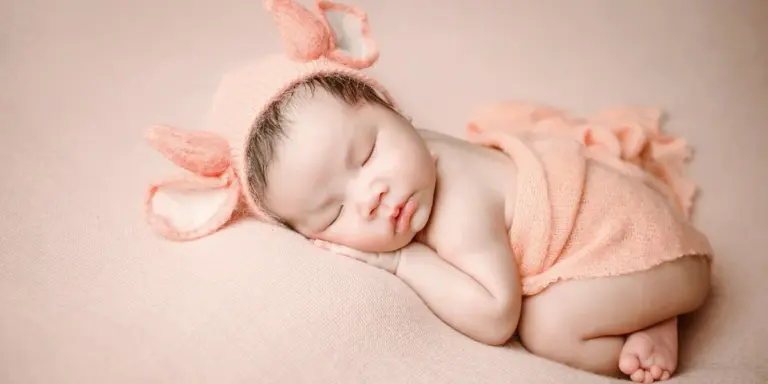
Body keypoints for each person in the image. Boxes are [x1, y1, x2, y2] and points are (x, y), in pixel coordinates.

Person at [143, 1, 713, 382]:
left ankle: (653, 321)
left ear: (394, 110)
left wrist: (403, 262)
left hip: (656, 256)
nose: (370, 196)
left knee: (545, 327)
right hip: (630, 231)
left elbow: (496, 316)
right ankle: (644, 306)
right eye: (334, 211)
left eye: (367, 153)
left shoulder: (459, 205)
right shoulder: (414, 155)